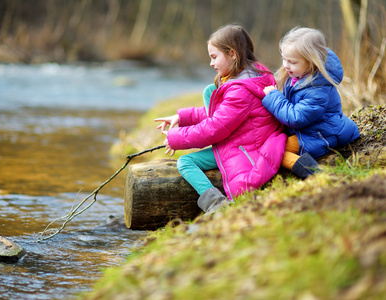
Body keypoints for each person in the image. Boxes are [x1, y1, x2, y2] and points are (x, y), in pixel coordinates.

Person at [154, 24, 287, 214]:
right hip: (243, 140)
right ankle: (216, 203)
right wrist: (181, 117)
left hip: (247, 149)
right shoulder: (253, 76)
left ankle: (217, 205)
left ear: (232, 54)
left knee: (185, 163)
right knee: (211, 90)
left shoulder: (240, 90)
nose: (211, 63)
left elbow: (214, 128)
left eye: (214, 57)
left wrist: (176, 138)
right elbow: (221, 115)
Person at [263, 27, 360, 179]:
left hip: (323, 134)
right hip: (308, 130)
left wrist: (273, 97)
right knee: (272, 145)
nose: (286, 65)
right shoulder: (297, 75)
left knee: (276, 151)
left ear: (311, 62)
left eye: (292, 62)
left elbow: (296, 118)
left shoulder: (318, 90)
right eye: (284, 59)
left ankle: (315, 175)